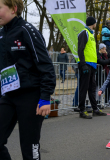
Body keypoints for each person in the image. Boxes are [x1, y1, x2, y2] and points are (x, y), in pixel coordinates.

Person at [0, 0, 56, 159]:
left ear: (13, 9)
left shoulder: (27, 30)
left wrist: (45, 97)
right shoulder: (2, 34)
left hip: (31, 97)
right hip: (8, 96)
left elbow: (46, 65)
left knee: (29, 149)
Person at [78, 16, 107, 119]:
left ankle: (95, 109)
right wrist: (83, 64)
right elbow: (80, 49)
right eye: (95, 23)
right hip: (86, 64)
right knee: (84, 88)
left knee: (92, 88)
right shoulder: (84, 33)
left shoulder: (91, 34)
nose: (96, 24)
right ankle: (82, 110)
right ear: (93, 23)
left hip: (92, 65)